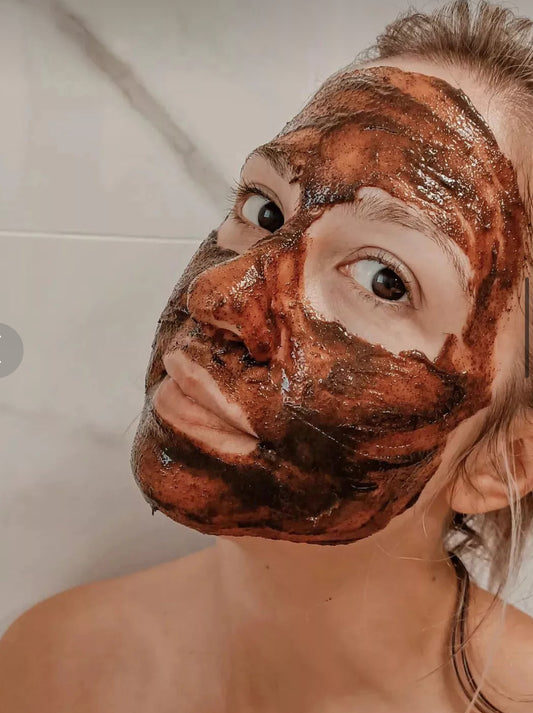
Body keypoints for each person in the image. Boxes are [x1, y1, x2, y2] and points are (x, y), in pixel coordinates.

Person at [3, 1, 533, 711]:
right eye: (265, 210)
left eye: (384, 279)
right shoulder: (54, 668)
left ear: (506, 461)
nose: (216, 295)